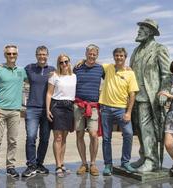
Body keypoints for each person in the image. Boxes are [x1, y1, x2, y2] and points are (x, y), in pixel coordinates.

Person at [130, 18, 172, 172]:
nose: (139, 31)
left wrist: (165, 92)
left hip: (150, 95)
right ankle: (143, 156)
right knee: (139, 129)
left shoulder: (159, 48)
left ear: (149, 31)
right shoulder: (136, 50)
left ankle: (151, 160)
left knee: (147, 128)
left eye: (142, 29)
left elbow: (167, 74)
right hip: (135, 96)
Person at [0, 44, 27, 180]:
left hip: (15, 111)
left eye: (14, 54)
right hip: (0, 111)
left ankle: (10, 167)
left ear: (17, 55)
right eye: (9, 54)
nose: (11, 56)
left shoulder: (21, 71)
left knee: (13, 140)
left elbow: (35, 81)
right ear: (5, 55)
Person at [99, 48, 139, 176]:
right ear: (113, 57)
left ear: (125, 57)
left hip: (121, 109)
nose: (119, 58)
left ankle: (125, 162)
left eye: (121, 56)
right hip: (105, 108)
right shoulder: (108, 67)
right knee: (106, 138)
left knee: (128, 134)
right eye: (117, 55)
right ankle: (108, 165)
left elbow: (132, 95)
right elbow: (93, 63)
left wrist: (128, 112)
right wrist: (82, 60)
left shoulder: (130, 73)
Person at [21, 46, 56, 177]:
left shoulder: (53, 70)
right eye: (40, 54)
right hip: (32, 109)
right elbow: (17, 74)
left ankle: (39, 163)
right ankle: (31, 165)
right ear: (36, 55)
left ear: (48, 55)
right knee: (31, 137)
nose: (42, 56)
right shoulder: (29, 68)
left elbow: (65, 75)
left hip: (47, 110)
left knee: (45, 139)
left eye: (44, 54)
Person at [73, 44, 104, 176]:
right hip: (78, 105)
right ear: (85, 54)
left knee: (93, 134)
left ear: (97, 55)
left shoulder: (101, 69)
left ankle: (93, 164)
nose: (92, 56)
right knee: (79, 134)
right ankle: (83, 163)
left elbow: (114, 75)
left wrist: (127, 68)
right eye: (90, 54)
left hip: (93, 106)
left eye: (94, 54)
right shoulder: (77, 67)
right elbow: (65, 75)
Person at [46, 54, 76, 178]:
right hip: (57, 106)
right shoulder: (54, 76)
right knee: (57, 137)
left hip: (69, 107)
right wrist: (47, 109)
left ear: (69, 62)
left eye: (66, 62)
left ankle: (62, 163)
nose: (64, 64)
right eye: (61, 62)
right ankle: (58, 165)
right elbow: (49, 93)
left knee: (64, 138)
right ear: (58, 64)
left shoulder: (74, 76)